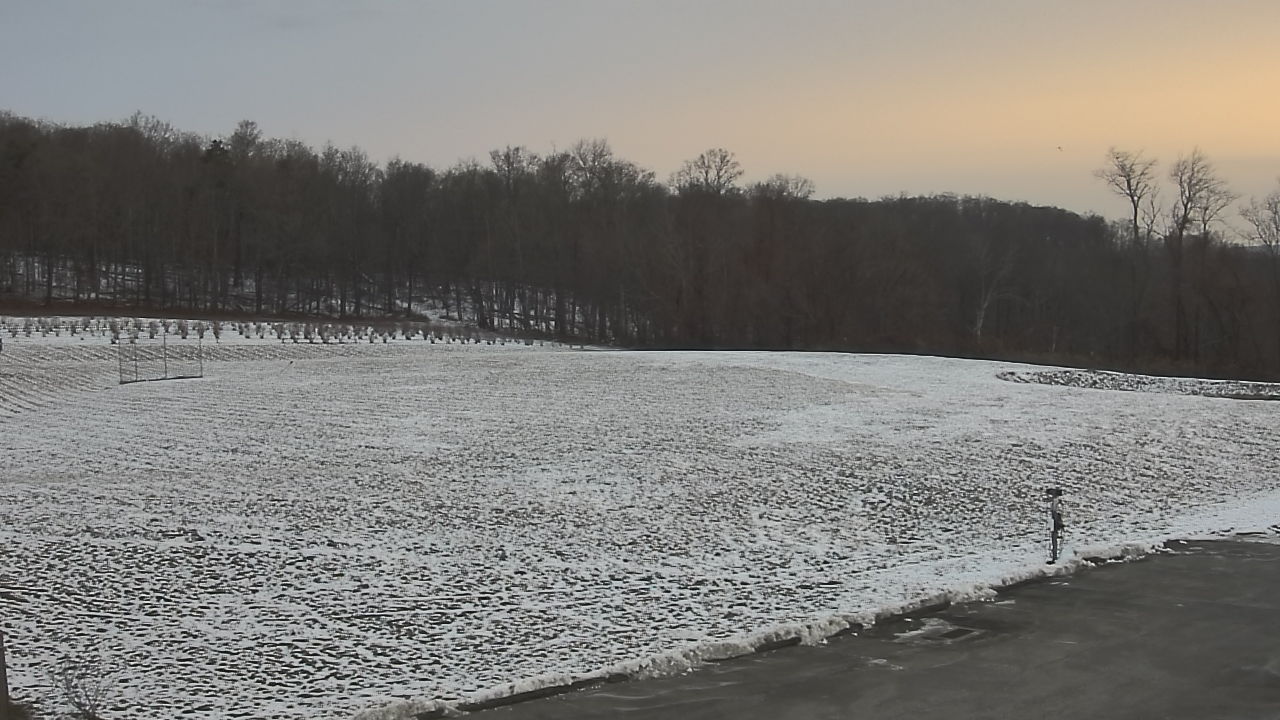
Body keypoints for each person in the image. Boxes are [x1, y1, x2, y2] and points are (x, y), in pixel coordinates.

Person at [1047, 487, 1065, 563]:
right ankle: (1054, 556)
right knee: (1053, 538)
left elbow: (1057, 513)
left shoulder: (1057, 501)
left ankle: (1055, 556)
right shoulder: (1055, 501)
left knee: (1054, 538)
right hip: (1055, 520)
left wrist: (1058, 522)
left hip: (1056, 521)